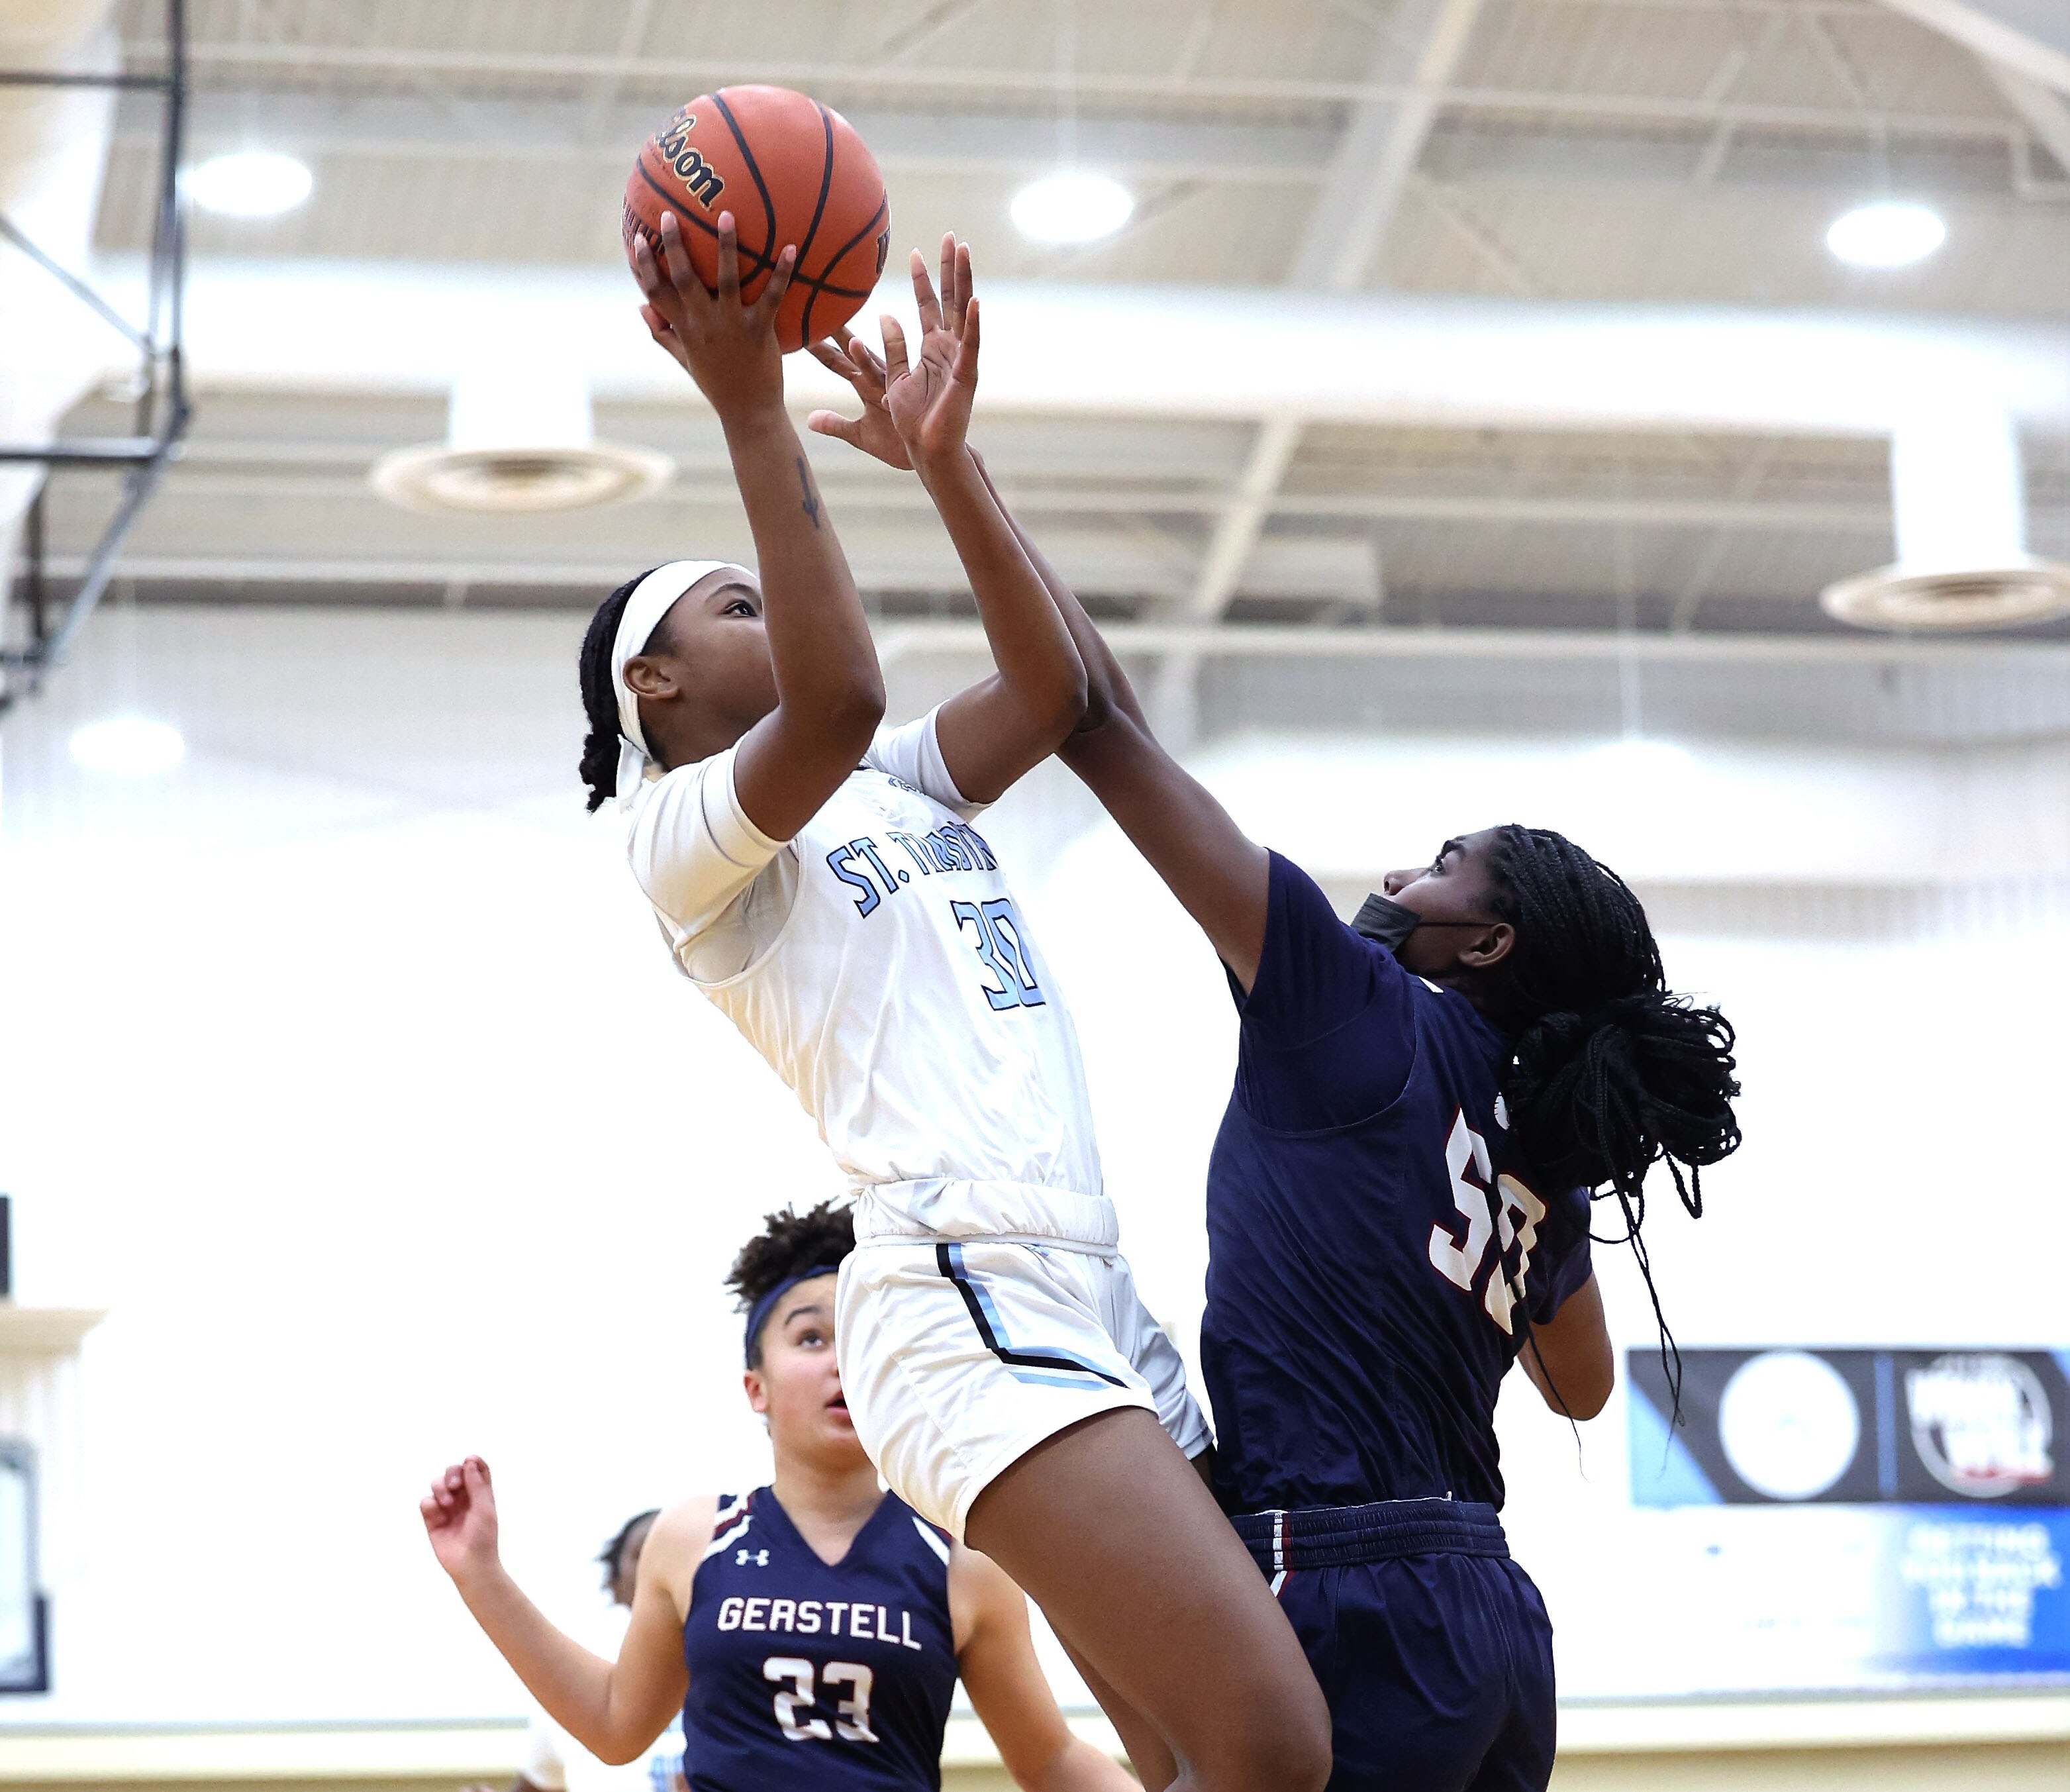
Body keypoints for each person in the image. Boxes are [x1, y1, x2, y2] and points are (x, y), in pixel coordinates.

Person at [807, 321, 1742, 1791]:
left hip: (1340, 1583)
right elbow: (1580, 1387)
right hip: (1496, 1624)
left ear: (1487, 948)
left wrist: (954, 468)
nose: (1406, 875)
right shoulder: (1540, 1167)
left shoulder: (1354, 1001)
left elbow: (1092, 717)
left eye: (1447, 868)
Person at [518, 214, 1324, 1792]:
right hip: (957, 1287)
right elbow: (840, 689)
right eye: (731, 606)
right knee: (1272, 1741)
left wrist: (951, 465)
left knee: (1184, 1758)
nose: (775, 606)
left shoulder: (883, 789)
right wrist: (753, 414)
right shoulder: (674, 837)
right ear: (655, 688)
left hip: (1084, 1268)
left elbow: (1061, 693)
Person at [424, 1202, 1143, 1792]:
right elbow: (616, 1726)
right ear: (755, 1389)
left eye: (863, 1339)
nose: (841, 1360)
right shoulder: (693, 1535)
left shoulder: (962, 1558)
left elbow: (1048, 1759)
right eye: (811, 1338)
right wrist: (481, 1575)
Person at [472, 1512, 686, 1792]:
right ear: (616, 1585)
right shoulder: (574, 1680)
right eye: (642, 1553)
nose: (661, 1569)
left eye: (676, 1556)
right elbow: (537, 1782)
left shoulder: (747, 1667)